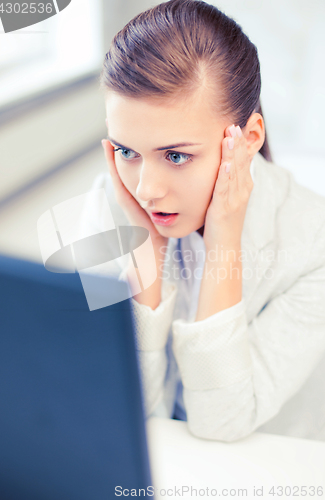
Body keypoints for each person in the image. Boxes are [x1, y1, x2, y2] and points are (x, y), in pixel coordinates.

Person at [79, 0, 325, 442]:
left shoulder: (312, 243)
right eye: (126, 151)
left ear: (247, 140)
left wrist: (223, 246)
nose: (146, 189)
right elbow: (109, 407)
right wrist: (145, 255)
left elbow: (222, 422)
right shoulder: (105, 205)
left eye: (176, 155)